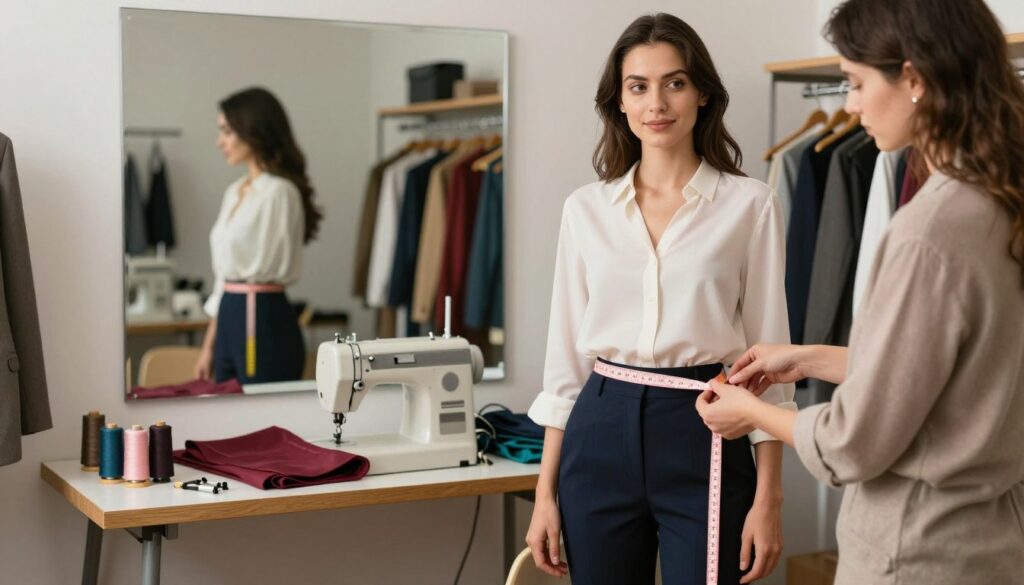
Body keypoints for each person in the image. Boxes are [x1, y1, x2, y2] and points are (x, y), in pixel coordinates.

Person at [696, 1, 1024, 583]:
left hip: (915, 552)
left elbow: (853, 441)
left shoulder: (930, 231)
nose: (848, 105)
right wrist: (808, 358)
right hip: (993, 545)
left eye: (855, 83)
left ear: (915, 79)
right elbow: (951, 377)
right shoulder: (1001, 202)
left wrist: (751, 412)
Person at [526, 13, 794, 585]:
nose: (657, 103)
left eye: (675, 83)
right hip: (598, 428)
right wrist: (544, 494)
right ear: (619, 102)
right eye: (638, 86)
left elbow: (774, 363)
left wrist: (768, 499)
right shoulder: (585, 211)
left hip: (707, 426)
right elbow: (564, 369)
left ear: (702, 94)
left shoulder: (751, 205)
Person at [193, 87, 323, 384]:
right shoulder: (234, 192)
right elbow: (225, 279)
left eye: (226, 131)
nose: (219, 142)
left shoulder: (279, 193)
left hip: (263, 321)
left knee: (259, 419)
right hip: (229, 316)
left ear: (252, 130)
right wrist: (209, 345)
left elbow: (258, 274)